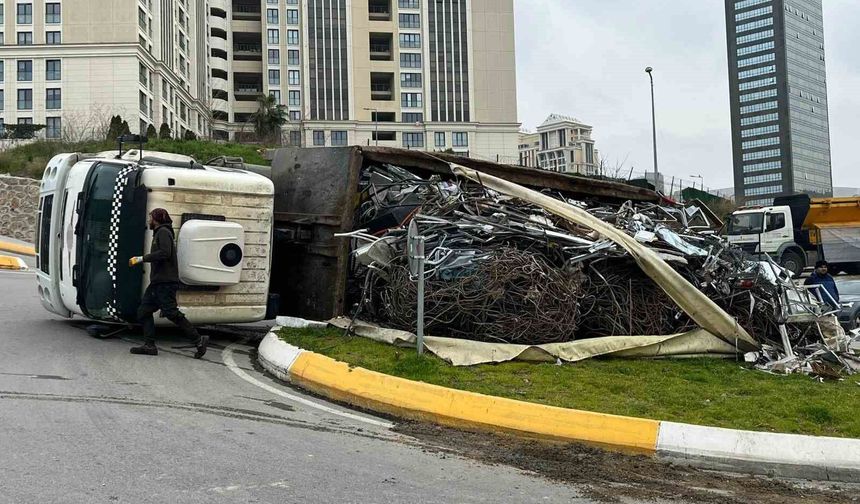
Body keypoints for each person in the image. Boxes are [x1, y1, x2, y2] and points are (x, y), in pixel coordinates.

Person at [128, 208, 209, 358]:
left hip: (165, 283)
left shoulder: (163, 232)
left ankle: (198, 340)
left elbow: (165, 253)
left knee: (172, 313)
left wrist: (141, 258)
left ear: (156, 219)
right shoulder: (160, 232)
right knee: (143, 311)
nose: (149, 220)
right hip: (158, 283)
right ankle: (149, 346)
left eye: (150, 217)